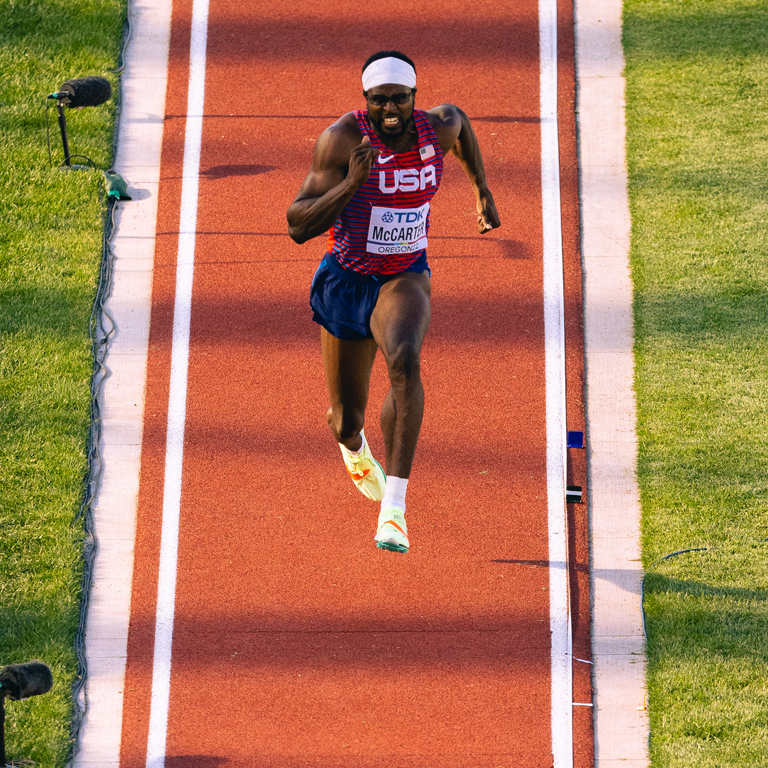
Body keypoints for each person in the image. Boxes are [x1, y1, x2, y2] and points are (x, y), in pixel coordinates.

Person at [287, 50, 500, 554]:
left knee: (404, 358)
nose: (389, 110)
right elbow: (298, 225)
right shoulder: (341, 140)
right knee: (346, 420)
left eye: (399, 100)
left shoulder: (437, 129)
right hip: (346, 278)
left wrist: (482, 190)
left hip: (404, 274)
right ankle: (356, 448)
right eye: (379, 100)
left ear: (414, 98)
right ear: (365, 100)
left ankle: (395, 511)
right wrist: (352, 183)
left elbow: (463, 125)